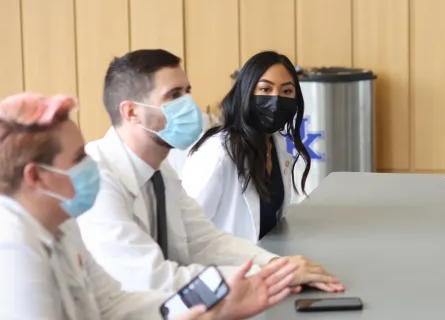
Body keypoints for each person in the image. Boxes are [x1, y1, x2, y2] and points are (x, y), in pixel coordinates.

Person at [0, 92, 299, 320]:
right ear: (37, 176)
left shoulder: (61, 224)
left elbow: (113, 304)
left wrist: (215, 305)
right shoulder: (13, 248)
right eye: (78, 158)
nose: (90, 163)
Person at [75, 49, 344, 294]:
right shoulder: (98, 178)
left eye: (187, 91)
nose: (189, 104)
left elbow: (205, 240)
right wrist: (266, 275)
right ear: (132, 112)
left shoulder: (161, 172)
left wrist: (277, 266)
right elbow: (150, 279)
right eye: (174, 95)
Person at [181, 51, 311, 243]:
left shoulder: (276, 143)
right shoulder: (217, 153)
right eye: (265, 90)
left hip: (266, 262)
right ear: (246, 92)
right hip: (226, 268)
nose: (276, 100)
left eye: (286, 92)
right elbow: (185, 232)